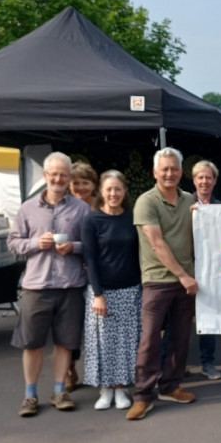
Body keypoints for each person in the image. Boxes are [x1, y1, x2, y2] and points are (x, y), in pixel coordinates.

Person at [7, 152, 91, 417]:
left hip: (70, 285)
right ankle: (30, 395)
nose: (58, 179)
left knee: (66, 342)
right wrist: (35, 244)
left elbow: (91, 245)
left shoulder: (81, 208)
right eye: (53, 174)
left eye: (63, 175)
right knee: (32, 344)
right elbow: (13, 243)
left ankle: (59, 391)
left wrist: (74, 247)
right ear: (45, 176)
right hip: (36, 286)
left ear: (69, 178)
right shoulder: (27, 208)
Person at [129, 147, 199, 420]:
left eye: (174, 169)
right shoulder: (146, 202)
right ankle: (142, 396)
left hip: (186, 282)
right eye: (165, 169)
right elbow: (156, 243)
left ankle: (171, 386)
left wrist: (200, 215)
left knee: (180, 338)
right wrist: (183, 275)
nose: (170, 173)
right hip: (157, 281)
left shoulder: (188, 199)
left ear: (181, 172)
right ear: (155, 172)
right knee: (149, 340)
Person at [81, 170, 141, 411]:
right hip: (102, 292)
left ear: (124, 191)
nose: (114, 193)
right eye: (109, 189)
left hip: (130, 289)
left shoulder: (131, 217)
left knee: (126, 342)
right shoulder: (92, 220)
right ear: (101, 192)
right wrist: (98, 294)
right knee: (103, 342)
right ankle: (105, 389)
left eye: (118, 189)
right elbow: (90, 259)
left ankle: (121, 388)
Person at [65, 161, 100, 390]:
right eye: (75, 182)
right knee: (71, 325)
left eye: (85, 182)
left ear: (94, 185)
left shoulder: (101, 206)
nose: (80, 187)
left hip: (98, 273)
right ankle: (70, 368)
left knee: (97, 326)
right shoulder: (65, 208)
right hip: (71, 273)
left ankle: (99, 370)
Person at [190, 159, 221, 380]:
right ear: (194, 180)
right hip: (188, 268)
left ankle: (207, 363)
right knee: (180, 321)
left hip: (212, 271)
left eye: (208, 177)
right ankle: (172, 365)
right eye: (200, 177)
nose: (204, 181)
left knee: (208, 318)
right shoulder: (183, 204)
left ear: (214, 181)